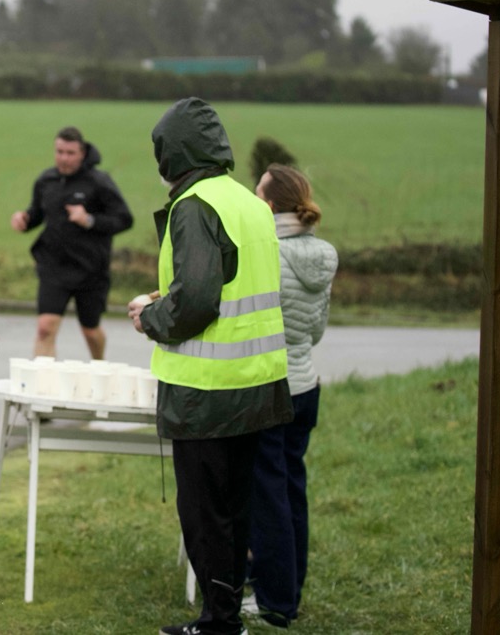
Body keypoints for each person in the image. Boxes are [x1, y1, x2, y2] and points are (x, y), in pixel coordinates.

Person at [126, 98, 293, 635]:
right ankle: (227, 615)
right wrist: (169, 297)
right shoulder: (248, 202)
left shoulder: (194, 205)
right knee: (236, 508)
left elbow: (197, 301)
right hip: (258, 385)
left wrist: (151, 316)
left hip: (206, 392)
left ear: (174, 152)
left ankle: (219, 623)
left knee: (204, 515)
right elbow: (230, 283)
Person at [246, 164, 338, 628]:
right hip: (305, 383)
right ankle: (290, 590)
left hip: (270, 387)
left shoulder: (266, 253)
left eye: (256, 192)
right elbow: (316, 330)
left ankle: (275, 602)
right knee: (292, 490)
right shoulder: (323, 254)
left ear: (268, 204)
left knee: (268, 498)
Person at [10, 125, 132, 360]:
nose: (64, 158)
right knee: (45, 328)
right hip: (54, 267)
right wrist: (25, 219)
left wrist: (89, 220)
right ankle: (43, 380)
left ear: (82, 153)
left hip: (90, 269)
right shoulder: (46, 180)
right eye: (60, 152)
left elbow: (124, 219)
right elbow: (37, 213)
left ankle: (99, 365)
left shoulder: (99, 182)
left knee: (90, 331)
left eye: (70, 153)